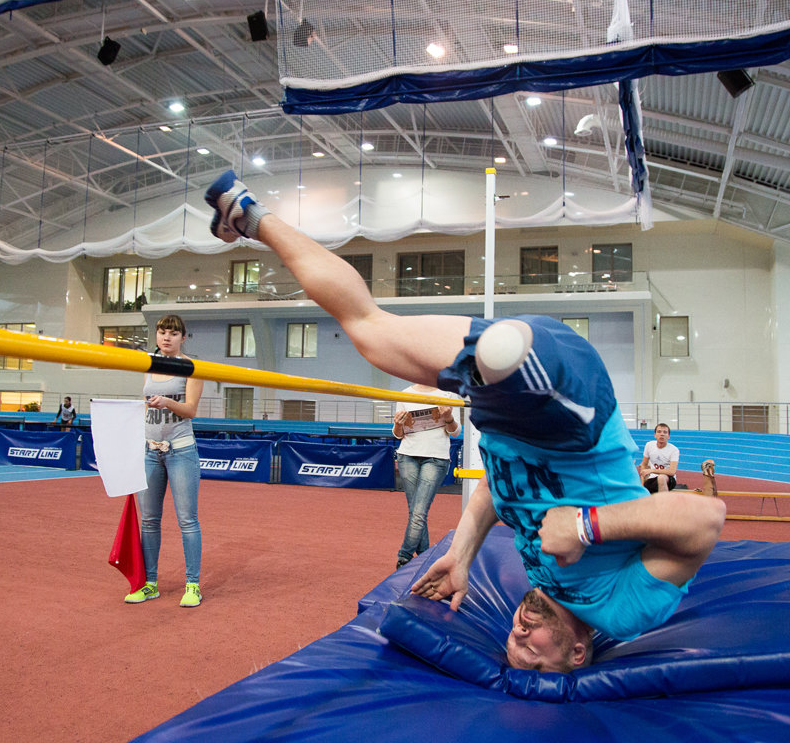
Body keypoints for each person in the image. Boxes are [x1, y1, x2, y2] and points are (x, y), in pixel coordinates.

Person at [205, 170, 726, 672]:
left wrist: (460, 555)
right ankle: (517, 365)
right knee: (506, 362)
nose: (519, 636)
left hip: (503, 413)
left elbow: (497, 495)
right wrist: (588, 526)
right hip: (573, 419)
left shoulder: (540, 574)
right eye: (534, 652)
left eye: (512, 644)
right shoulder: (622, 612)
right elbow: (705, 521)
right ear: (577, 654)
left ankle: (247, 214)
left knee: (368, 330)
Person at [125, 314, 205, 609]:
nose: (166, 337)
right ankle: (150, 584)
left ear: (183, 337)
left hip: (181, 450)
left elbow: (191, 410)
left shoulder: (192, 369)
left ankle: (193, 585)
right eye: (161, 332)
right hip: (149, 451)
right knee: (148, 521)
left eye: (173, 333)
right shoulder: (147, 366)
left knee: (187, 519)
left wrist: (167, 402)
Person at [392, 384, 462, 570]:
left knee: (418, 512)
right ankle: (425, 557)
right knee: (415, 511)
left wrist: (448, 418)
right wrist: (398, 424)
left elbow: (455, 432)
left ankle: (404, 557)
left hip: (436, 457)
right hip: (407, 455)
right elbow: (398, 435)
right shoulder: (405, 394)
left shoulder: (448, 393)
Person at [638, 423, 680, 493]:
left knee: (661, 478)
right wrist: (642, 485)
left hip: (668, 479)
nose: (662, 434)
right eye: (659, 432)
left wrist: (652, 470)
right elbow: (644, 465)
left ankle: (664, 503)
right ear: (655, 435)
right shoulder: (649, 445)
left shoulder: (674, 450)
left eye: (665, 432)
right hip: (652, 478)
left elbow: (672, 471)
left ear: (668, 436)